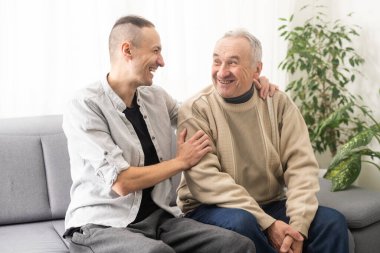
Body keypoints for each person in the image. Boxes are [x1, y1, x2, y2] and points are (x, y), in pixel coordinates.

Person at [62, 15, 277, 253]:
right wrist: (180, 162)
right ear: (127, 50)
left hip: (159, 221)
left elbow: (203, 112)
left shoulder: (156, 97)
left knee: (237, 245)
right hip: (101, 225)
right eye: (155, 51)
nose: (161, 61)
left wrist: (248, 83)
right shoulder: (85, 105)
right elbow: (122, 182)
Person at [176, 29, 349, 253]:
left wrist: (298, 226)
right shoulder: (196, 109)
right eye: (217, 62)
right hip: (210, 207)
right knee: (243, 223)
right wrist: (267, 224)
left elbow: (301, 168)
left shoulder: (278, 103)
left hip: (269, 203)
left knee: (332, 222)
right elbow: (207, 182)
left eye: (232, 63)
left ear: (257, 69)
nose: (222, 71)